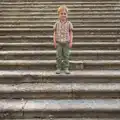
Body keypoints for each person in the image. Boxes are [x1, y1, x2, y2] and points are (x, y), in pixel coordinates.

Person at [53, 5, 73, 74]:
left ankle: (66, 68)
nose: (63, 15)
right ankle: (58, 67)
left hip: (66, 42)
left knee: (66, 56)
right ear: (59, 15)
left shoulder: (69, 23)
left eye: (65, 14)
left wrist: (71, 42)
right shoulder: (56, 23)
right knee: (58, 56)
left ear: (67, 15)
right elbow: (54, 33)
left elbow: (71, 33)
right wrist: (54, 41)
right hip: (59, 42)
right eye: (61, 13)